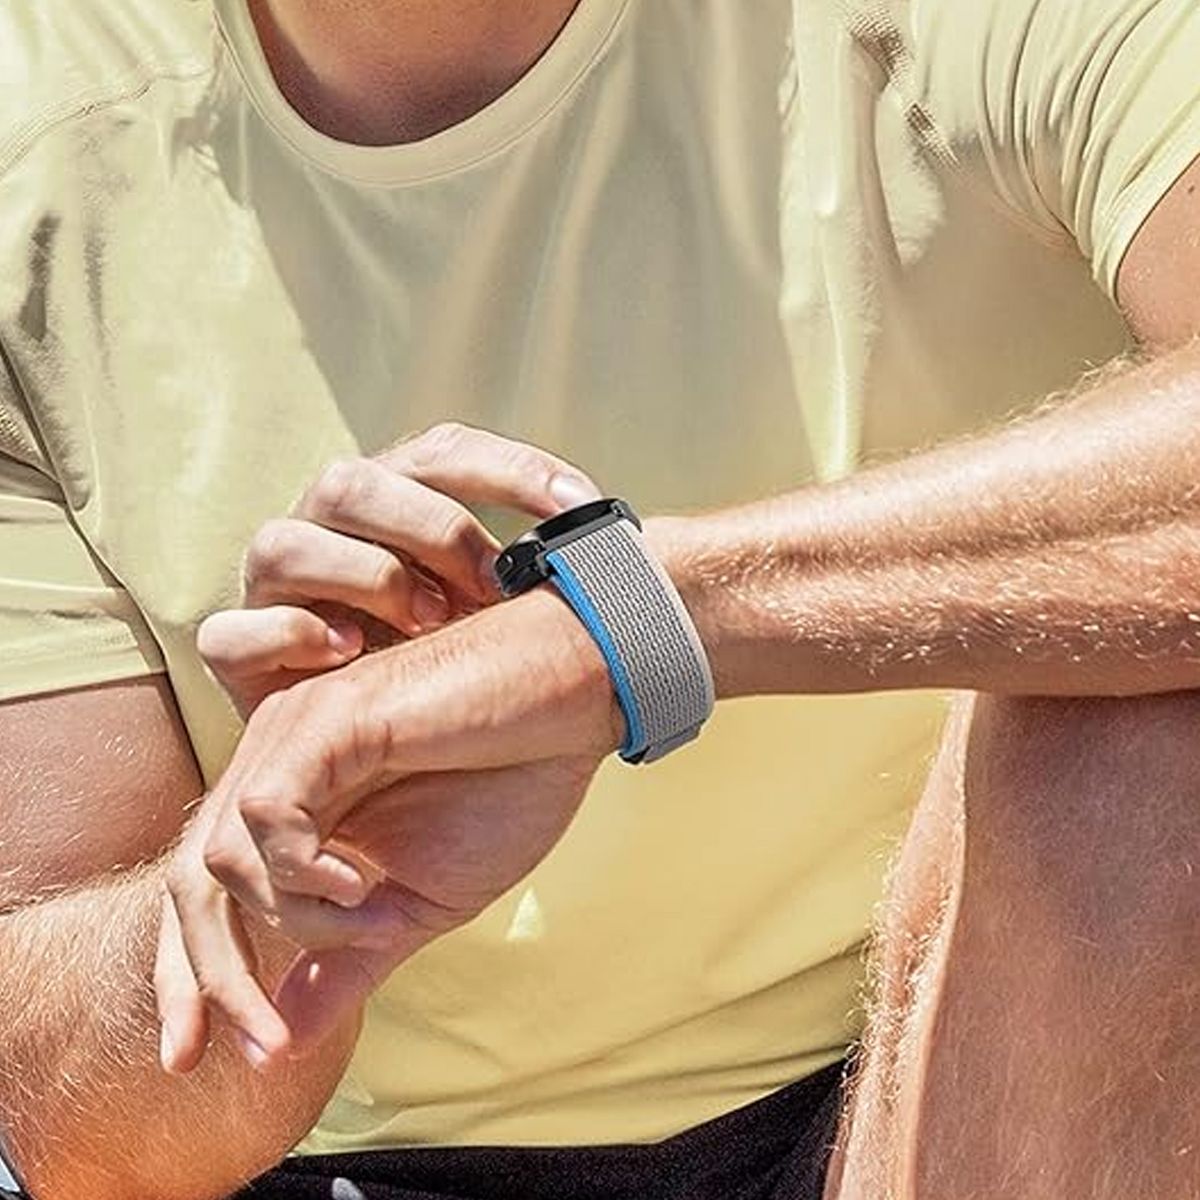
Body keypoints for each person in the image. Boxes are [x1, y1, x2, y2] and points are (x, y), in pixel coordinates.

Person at [1, 0, 1199, 1196]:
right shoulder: (38, 127)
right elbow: (79, 1136)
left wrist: (623, 629)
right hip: (364, 1166)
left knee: (1138, 712)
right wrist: (293, 875)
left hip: (941, 1086)